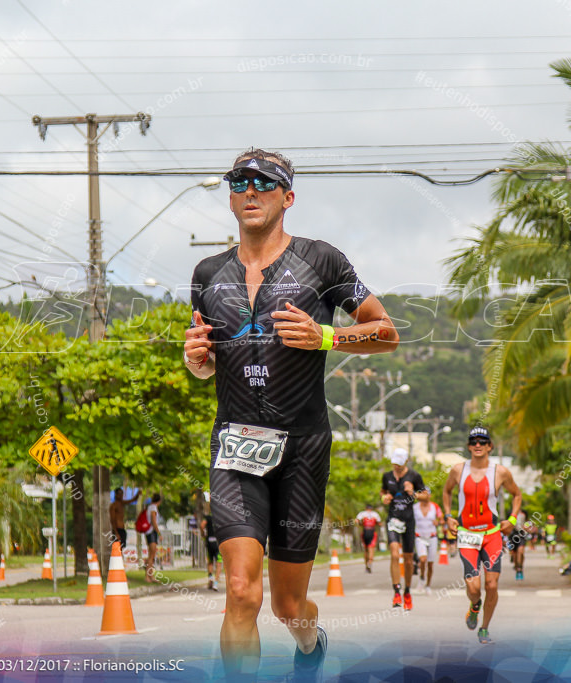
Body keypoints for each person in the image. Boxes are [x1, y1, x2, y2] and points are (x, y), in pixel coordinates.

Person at [184, 148, 399, 681]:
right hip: (235, 445)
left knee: (288, 607)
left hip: (302, 450)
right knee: (239, 592)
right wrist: (197, 362)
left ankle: (310, 645)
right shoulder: (208, 273)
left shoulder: (321, 261)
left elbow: (386, 332)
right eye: (240, 181)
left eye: (264, 181)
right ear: (231, 196)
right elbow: (210, 364)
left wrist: (325, 335)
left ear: (288, 197)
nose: (250, 190)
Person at [443, 427, 522, 645]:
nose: (478, 445)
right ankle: (474, 605)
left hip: (491, 535)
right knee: (474, 588)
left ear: (490, 446)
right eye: (473, 441)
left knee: (492, 585)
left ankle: (485, 628)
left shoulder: (500, 472)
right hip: (467, 535)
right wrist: (448, 516)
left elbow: (517, 495)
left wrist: (512, 520)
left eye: (482, 441)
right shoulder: (458, 470)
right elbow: (446, 491)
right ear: (469, 446)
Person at [381, 448, 428, 610]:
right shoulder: (387, 476)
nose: (397, 467)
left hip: (408, 520)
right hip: (393, 519)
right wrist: (384, 498)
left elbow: (426, 496)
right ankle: (396, 591)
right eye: (395, 464)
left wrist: (413, 493)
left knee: (408, 559)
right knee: (394, 553)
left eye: (399, 464)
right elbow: (383, 492)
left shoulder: (414, 476)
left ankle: (407, 590)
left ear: (406, 462)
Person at [413, 493, 442, 593]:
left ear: (429, 496)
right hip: (419, 537)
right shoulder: (415, 507)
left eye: (427, 495)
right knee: (422, 559)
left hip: (432, 537)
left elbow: (441, 519)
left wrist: (438, 521)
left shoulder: (435, 507)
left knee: (430, 564)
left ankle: (428, 585)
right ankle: (422, 577)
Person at [108, 486, 140, 553]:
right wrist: (116, 532)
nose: (121, 495)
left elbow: (132, 500)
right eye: (119, 493)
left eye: (122, 493)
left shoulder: (122, 503)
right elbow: (112, 520)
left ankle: (121, 561)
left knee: (122, 548)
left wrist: (138, 494)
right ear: (116, 495)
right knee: (117, 548)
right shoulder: (113, 506)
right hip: (117, 529)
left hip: (122, 529)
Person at [355, 504, 382, 574]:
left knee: (366, 550)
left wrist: (362, 524)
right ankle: (369, 563)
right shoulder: (375, 514)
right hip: (371, 532)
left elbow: (356, 521)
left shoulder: (362, 514)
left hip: (365, 531)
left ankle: (367, 564)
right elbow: (379, 523)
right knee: (371, 549)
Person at [145, 493, 163, 583]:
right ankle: (147, 576)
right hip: (152, 532)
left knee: (152, 555)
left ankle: (151, 575)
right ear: (159, 501)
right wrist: (159, 533)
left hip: (151, 532)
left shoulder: (150, 507)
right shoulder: (153, 508)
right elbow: (153, 521)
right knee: (151, 555)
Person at [202, 512, 221, 591]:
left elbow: (202, 525)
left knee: (210, 562)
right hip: (217, 543)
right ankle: (215, 584)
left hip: (209, 542)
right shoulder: (220, 518)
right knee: (218, 564)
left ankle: (210, 578)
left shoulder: (208, 517)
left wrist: (203, 533)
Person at [506, 511, 527, 581]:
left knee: (520, 552)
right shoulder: (510, 513)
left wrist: (526, 528)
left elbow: (527, 523)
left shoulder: (524, 513)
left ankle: (520, 569)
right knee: (514, 554)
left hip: (521, 535)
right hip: (512, 536)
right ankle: (516, 566)